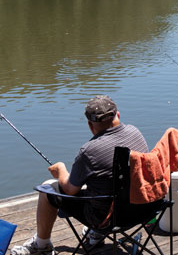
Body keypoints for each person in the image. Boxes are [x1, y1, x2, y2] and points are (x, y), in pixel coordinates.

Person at [11, 95, 148, 255]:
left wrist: (61, 170)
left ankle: (42, 245)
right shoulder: (135, 132)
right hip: (142, 209)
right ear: (118, 115)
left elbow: (70, 190)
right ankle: (95, 235)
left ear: (91, 126)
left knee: (48, 188)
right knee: (101, 184)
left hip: (105, 219)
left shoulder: (89, 151)